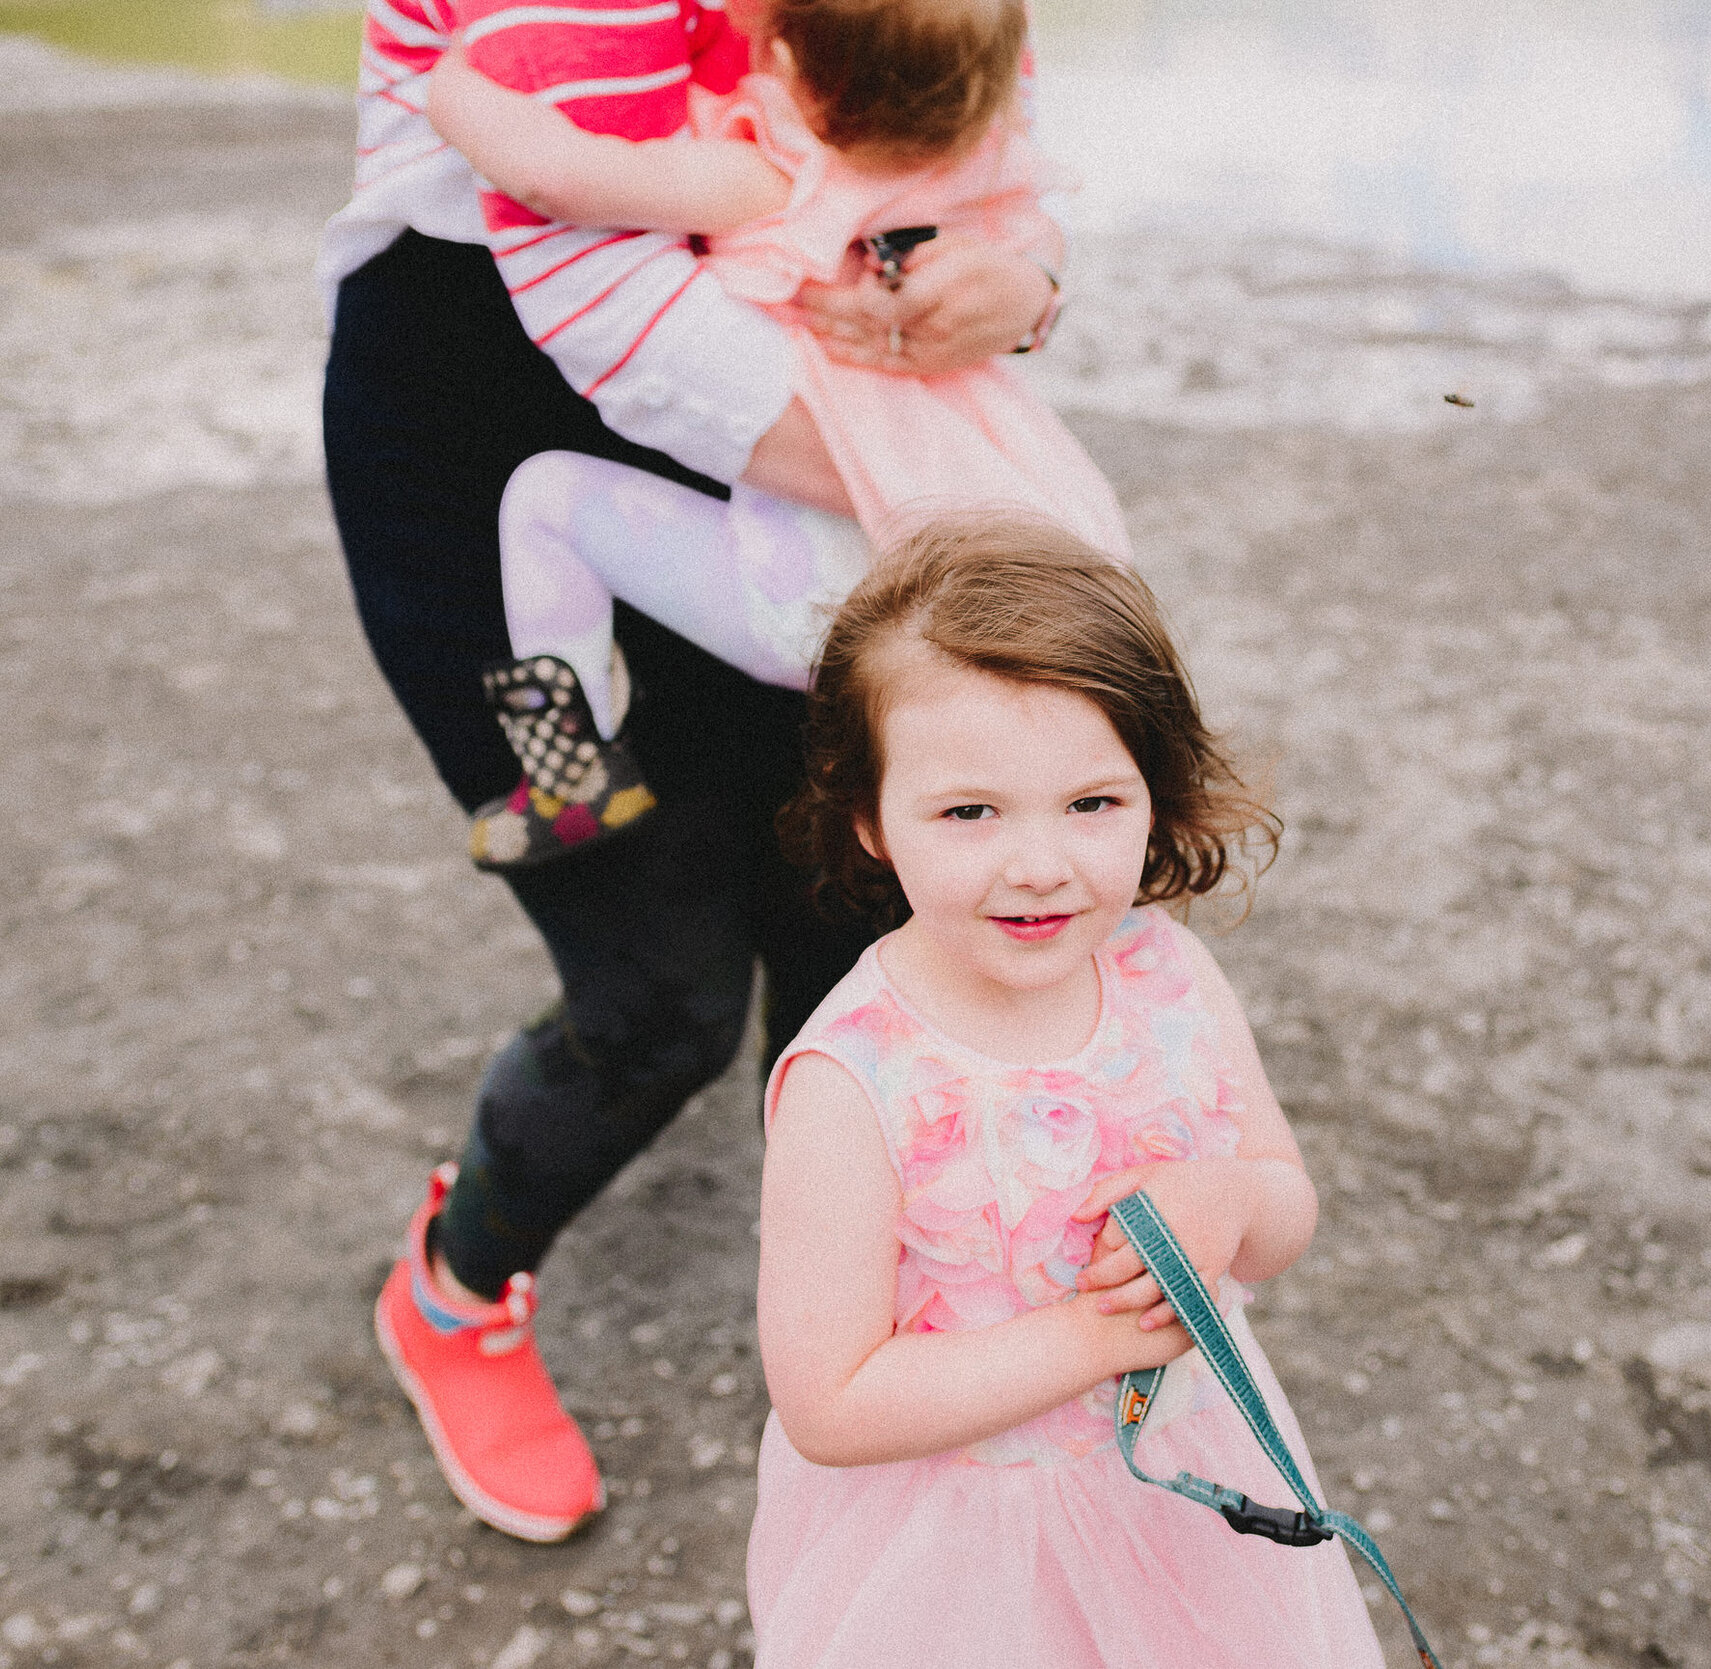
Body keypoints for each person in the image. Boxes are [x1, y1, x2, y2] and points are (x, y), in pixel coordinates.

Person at [324, 0, 1063, 1545]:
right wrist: (924, 464)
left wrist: (1016, 282)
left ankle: (852, 1309)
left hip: (744, 466)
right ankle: (454, 1287)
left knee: (847, 901)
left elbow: (970, 153)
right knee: (652, 980)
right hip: (493, 490)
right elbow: (586, 240)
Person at [748, 519, 1385, 1665]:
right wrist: (1106, 1328)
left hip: (1188, 1490)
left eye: (1091, 803)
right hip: (959, 1559)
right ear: (870, 819)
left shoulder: (1165, 972)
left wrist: (1233, 1201)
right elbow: (830, 1404)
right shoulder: (854, 1080)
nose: (1039, 862)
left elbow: (1285, 1209)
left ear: (1156, 791)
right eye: (968, 812)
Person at [420, 0, 1126, 870]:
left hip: (812, 604)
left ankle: (569, 772)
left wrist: (451, 93)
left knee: (544, 502)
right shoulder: (983, 179)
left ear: (787, 67)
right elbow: (1034, 247)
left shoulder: (773, 180)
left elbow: (558, 178)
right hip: (966, 573)